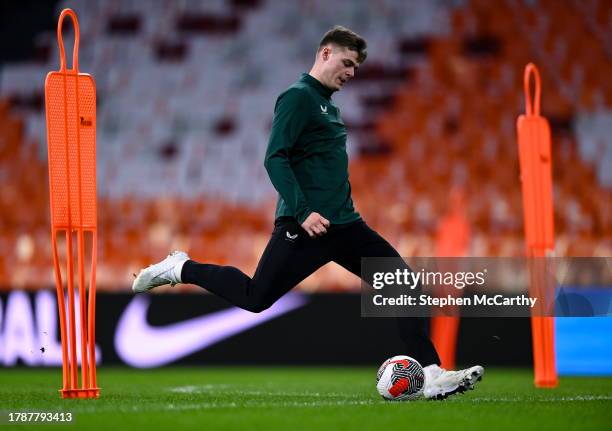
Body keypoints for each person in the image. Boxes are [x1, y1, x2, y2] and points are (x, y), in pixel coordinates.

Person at [132, 25, 483, 400]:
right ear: (325, 53)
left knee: (405, 285)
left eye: (356, 68)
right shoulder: (297, 98)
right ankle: (181, 267)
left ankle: (430, 373)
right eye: (347, 63)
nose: (351, 73)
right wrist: (303, 212)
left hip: (346, 226)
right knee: (255, 298)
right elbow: (274, 158)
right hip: (307, 227)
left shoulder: (327, 106)